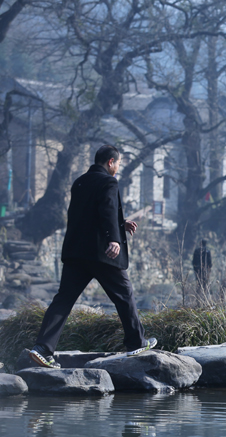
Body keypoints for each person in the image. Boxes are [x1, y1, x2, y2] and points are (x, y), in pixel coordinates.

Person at [28, 145, 157, 368]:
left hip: (76, 252)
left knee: (63, 300)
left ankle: (42, 349)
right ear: (110, 162)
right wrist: (114, 239)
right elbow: (107, 209)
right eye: (118, 163)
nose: (118, 168)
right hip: (101, 253)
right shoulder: (109, 182)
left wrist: (120, 224)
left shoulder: (80, 182)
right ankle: (136, 342)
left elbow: (87, 214)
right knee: (124, 294)